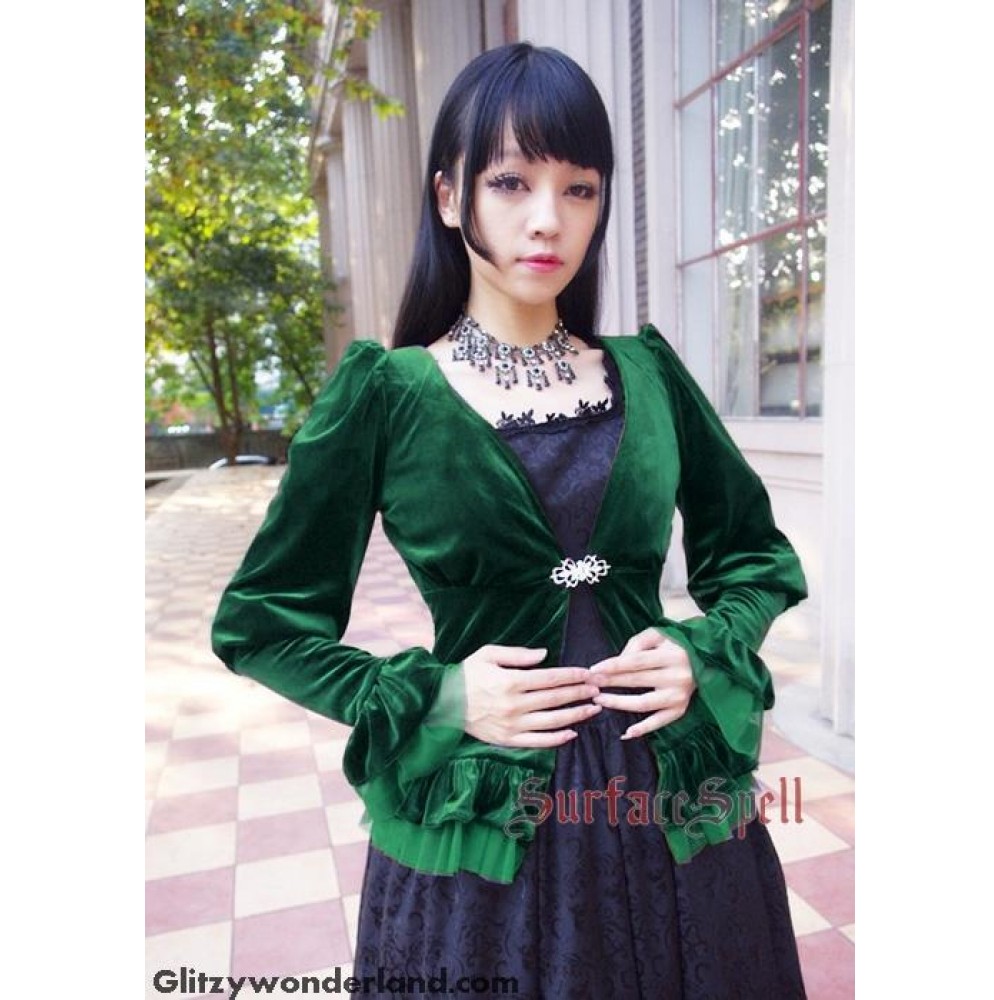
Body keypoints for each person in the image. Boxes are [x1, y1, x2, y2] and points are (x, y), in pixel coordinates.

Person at [212, 42, 809, 999]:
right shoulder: (386, 396)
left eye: (579, 189)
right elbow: (261, 625)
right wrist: (441, 696)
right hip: (484, 830)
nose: (548, 219)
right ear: (450, 197)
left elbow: (755, 556)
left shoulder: (650, 375)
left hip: (677, 806)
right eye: (511, 182)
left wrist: (704, 649)